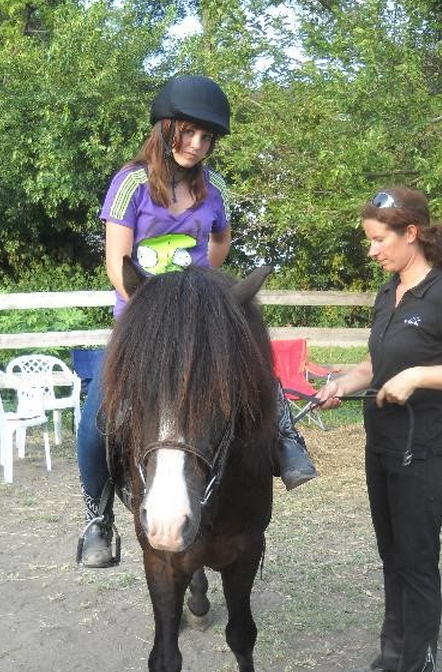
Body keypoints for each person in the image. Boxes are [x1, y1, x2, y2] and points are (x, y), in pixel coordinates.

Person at [77, 74, 317, 568]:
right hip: (142, 326)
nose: (197, 144)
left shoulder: (215, 189)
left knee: (257, 375)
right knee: (96, 421)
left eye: (207, 137)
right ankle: (98, 516)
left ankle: (288, 440)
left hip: (202, 321)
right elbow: (118, 264)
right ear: (166, 130)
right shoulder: (131, 185)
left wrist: (207, 292)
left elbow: (220, 246)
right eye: (188, 132)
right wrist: (158, 313)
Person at [316, 187, 442, 672]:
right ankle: (394, 656)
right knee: (392, 555)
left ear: (410, 234)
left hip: (426, 450)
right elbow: (379, 362)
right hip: (383, 445)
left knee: (416, 562)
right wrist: (345, 381)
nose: (372, 251)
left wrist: (419, 376)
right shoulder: (389, 294)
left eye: (378, 240)